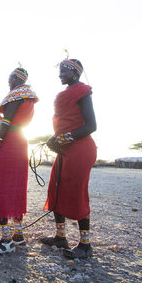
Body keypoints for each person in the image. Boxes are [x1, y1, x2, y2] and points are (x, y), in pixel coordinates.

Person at [40, 58, 97, 259]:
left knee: (76, 192)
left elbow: (91, 126)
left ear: (75, 72)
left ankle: (85, 244)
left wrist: (62, 138)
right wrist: (56, 139)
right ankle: (60, 237)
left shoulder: (83, 92)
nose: (60, 74)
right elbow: (67, 123)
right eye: (60, 70)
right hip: (66, 149)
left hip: (80, 149)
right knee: (55, 188)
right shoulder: (67, 93)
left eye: (64, 71)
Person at [0, 67, 38, 254]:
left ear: (15, 78)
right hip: (20, 143)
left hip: (10, 144)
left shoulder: (15, 95)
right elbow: (12, 120)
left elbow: (7, 124)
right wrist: (1, 117)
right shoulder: (27, 97)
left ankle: (6, 241)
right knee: (15, 187)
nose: (8, 83)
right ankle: (18, 236)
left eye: (9, 79)